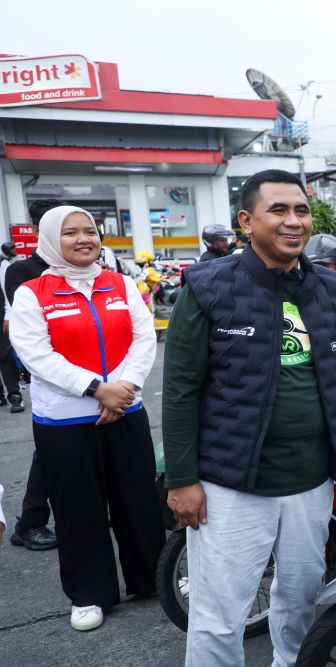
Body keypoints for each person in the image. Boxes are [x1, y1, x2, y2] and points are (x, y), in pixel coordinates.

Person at [163, 169, 336, 666]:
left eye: (301, 210)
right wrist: (182, 479)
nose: (293, 221)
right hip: (230, 487)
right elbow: (179, 391)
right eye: (278, 210)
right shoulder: (208, 287)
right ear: (246, 221)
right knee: (219, 616)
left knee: (301, 602)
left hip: (311, 483)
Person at [9, 205, 163, 631]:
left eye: (90, 231)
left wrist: (122, 389)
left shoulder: (122, 284)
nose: (84, 239)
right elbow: (36, 355)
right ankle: (89, 594)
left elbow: (143, 337)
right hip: (65, 422)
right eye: (71, 233)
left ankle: (152, 579)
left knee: (138, 500)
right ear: (51, 240)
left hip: (126, 410)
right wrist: (98, 389)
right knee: (79, 509)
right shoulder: (32, 292)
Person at [5, 198, 63, 552]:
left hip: (99, 373)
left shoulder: (90, 265)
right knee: (49, 450)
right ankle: (30, 522)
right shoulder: (21, 271)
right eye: (62, 227)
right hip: (51, 374)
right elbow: (32, 329)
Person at [0, 241, 23, 412]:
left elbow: (6, 289)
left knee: (5, 356)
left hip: (2, 315)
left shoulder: (4, 264)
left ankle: (15, 396)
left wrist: (8, 315)